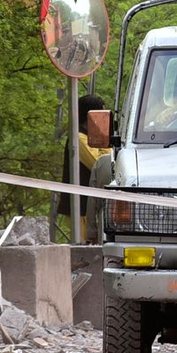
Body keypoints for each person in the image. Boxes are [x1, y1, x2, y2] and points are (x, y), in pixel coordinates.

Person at [62, 94, 112, 244]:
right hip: (80, 208)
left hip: (89, 206)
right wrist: (106, 142)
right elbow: (99, 164)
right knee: (84, 247)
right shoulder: (78, 138)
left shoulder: (91, 137)